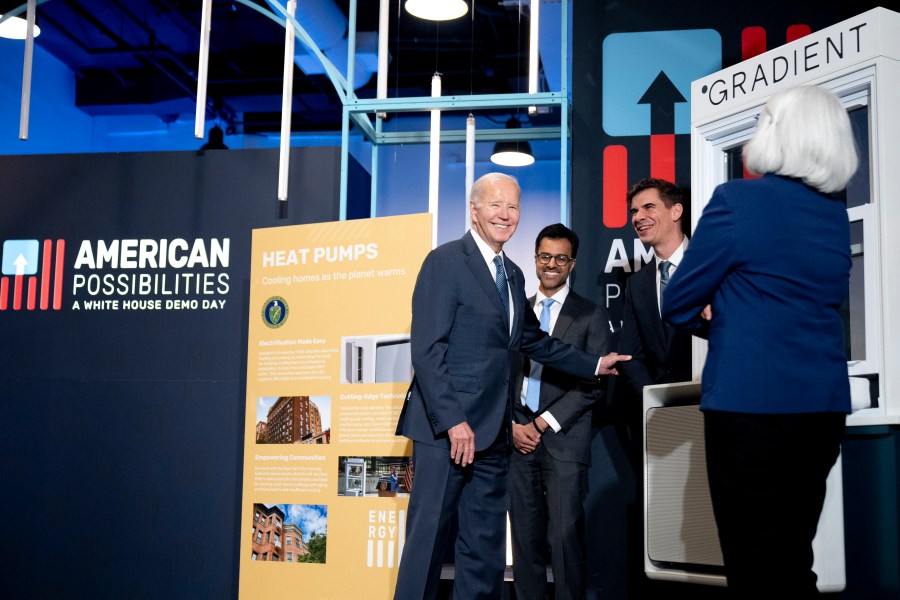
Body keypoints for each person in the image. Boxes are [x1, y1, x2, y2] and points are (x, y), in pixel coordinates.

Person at [394, 173, 630, 600]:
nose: (506, 215)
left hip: (493, 435)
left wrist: (593, 362)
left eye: (514, 207)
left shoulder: (515, 275)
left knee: (483, 549)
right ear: (474, 210)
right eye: (495, 205)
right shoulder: (444, 261)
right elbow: (427, 351)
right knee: (427, 542)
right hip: (445, 433)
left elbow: (534, 341)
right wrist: (453, 422)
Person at [661, 85, 857, 598]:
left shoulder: (737, 201)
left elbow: (678, 302)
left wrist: (726, 313)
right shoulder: (834, 214)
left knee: (752, 566)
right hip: (822, 407)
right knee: (793, 561)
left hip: (750, 406)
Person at [508, 223, 609, 600]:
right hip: (517, 443)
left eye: (561, 258)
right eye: (546, 256)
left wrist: (541, 422)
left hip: (564, 443)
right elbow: (502, 376)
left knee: (564, 544)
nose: (552, 264)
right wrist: (514, 425)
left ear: (572, 263)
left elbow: (594, 384)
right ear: (535, 260)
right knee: (524, 547)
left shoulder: (591, 315)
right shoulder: (517, 311)